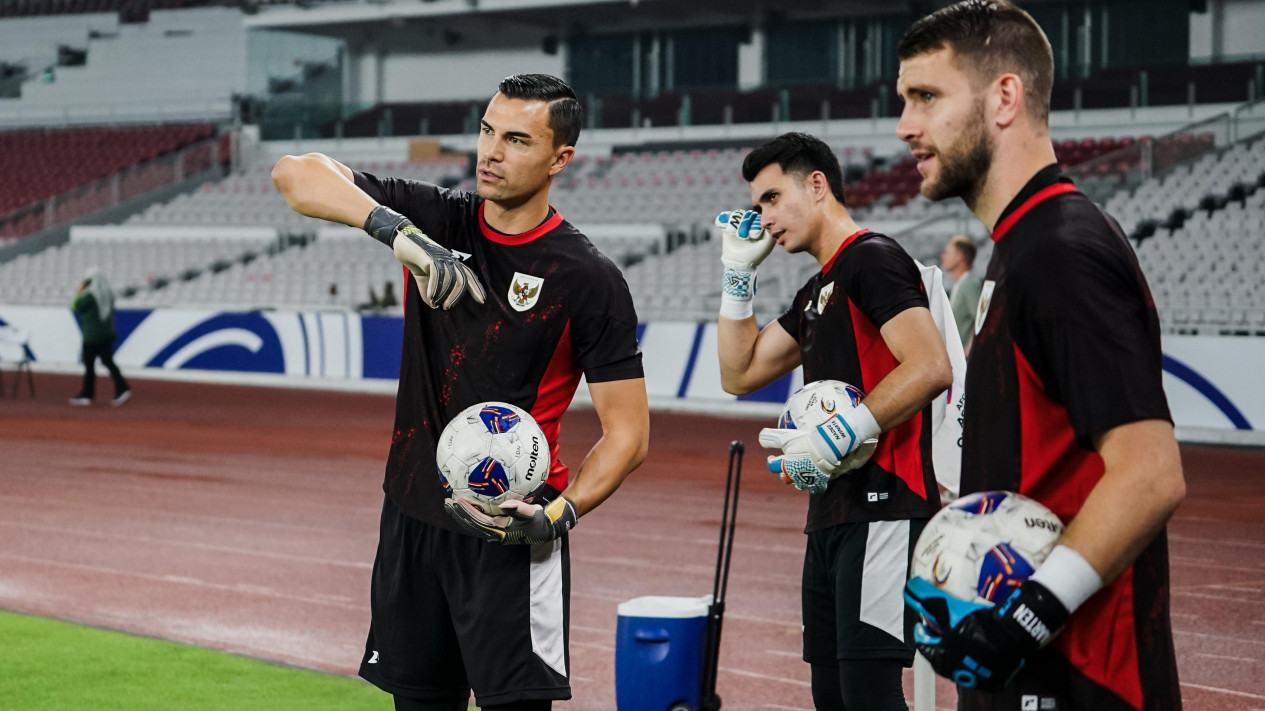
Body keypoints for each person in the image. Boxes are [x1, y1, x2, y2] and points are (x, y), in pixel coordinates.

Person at [271, 74, 649, 711]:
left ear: (561, 158)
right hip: (412, 518)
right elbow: (294, 173)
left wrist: (559, 517)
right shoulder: (437, 219)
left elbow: (629, 436)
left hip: (512, 532)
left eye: (517, 140)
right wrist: (401, 235)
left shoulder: (588, 278)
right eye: (486, 131)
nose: (491, 152)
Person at [895, 3, 1186, 710]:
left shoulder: (1060, 252)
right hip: (1026, 672)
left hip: (1079, 676)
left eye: (925, 97)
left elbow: (1150, 474)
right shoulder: (1022, 243)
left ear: (1004, 97)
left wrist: (1024, 618)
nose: (904, 125)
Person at [714, 132, 954, 711]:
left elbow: (930, 365)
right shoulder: (818, 286)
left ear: (816, 184)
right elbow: (739, 373)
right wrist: (736, 280)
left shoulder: (872, 258)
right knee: (833, 698)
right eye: (758, 205)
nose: (763, 217)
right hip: (831, 512)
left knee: (867, 697)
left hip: (886, 505)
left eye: (772, 198)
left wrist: (838, 433)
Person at [70, 267, 130, 407]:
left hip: (91, 336)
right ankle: (122, 387)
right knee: (108, 362)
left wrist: (80, 291)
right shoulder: (108, 293)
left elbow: (75, 306)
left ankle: (87, 394)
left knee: (90, 366)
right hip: (107, 334)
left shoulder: (90, 296)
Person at [940, 234, 983, 351]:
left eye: (947, 252)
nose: (943, 256)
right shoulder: (960, 284)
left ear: (960, 257)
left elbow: (982, 321)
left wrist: (968, 352)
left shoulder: (969, 284)